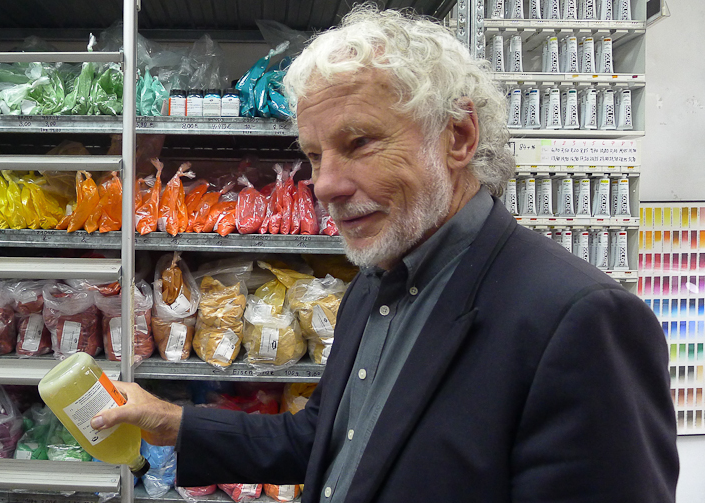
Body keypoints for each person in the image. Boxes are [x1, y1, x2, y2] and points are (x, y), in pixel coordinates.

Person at [92, 5, 679, 502]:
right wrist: (171, 422)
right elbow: (324, 440)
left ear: (458, 137)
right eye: (314, 155)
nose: (324, 185)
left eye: (360, 142)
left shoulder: (580, 321)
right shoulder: (374, 284)